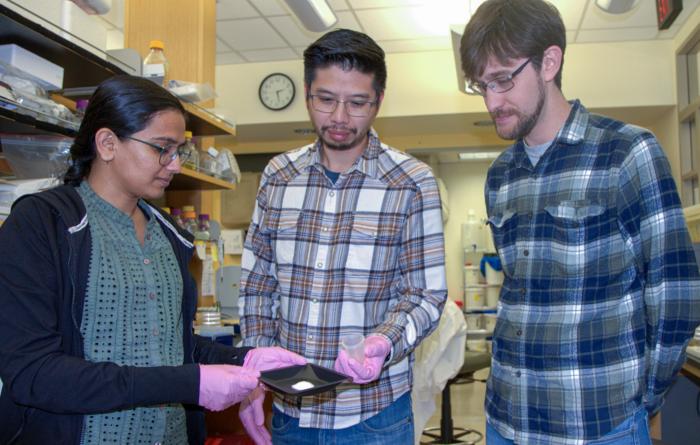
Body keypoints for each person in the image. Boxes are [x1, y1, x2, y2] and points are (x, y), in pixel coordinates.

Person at [0, 75, 305, 445]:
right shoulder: (43, 224)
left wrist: (246, 359)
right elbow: (32, 372)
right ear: (107, 144)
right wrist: (189, 383)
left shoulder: (169, 235)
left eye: (179, 151)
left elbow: (173, 344)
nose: (174, 165)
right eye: (162, 148)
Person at [459, 1, 700, 444]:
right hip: (506, 419)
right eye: (481, 85)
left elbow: (677, 293)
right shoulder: (500, 175)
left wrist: (642, 398)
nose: (492, 101)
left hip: (596, 424)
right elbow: (518, 293)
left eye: (503, 80)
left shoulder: (627, 153)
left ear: (549, 62)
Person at [238, 29, 447, 444]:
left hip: (374, 416)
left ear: (378, 101)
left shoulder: (411, 182)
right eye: (326, 99)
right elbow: (258, 284)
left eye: (357, 103)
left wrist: (384, 342)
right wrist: (257, 371)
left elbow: (425, 295)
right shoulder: (278, 176)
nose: (339, 117)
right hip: (291, 410)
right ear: (307, 94)